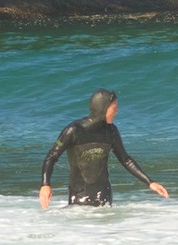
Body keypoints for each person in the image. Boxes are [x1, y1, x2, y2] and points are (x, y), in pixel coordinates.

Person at [38, 89, 169, 208]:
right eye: (114, 108)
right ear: (103, 108)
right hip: (79, 196)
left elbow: (125, 160)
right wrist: (45, 185)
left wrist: (149, 182)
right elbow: (51, 157)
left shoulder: (111, 131)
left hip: (104, 196)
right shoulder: (74, 130)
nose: (117, 111)